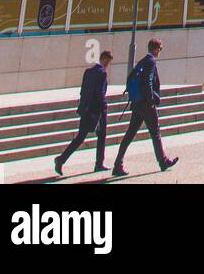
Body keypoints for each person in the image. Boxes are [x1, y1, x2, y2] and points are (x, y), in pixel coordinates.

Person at [112, 38, 178, 176]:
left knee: (129, 134)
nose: (160, 51)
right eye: (160, 49)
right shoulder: (151, 61)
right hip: (146, 104)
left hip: (137, 104)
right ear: (155, 49)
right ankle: (163, 161)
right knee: (155, 133)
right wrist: (151, 100)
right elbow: (148, 81)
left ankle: (118, 164)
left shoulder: (142, 61)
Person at [54, 51, 113, 175]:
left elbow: (83, 91)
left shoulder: (88, 72)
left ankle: (61, 159)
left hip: (86, 109)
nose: (108, 64)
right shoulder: (102, 73)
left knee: (81, 137)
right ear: (104, 59)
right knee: (100, 136)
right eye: (107, 61)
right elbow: (99, 93)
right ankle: (98, 164)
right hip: (97, 110)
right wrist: (104, 106)